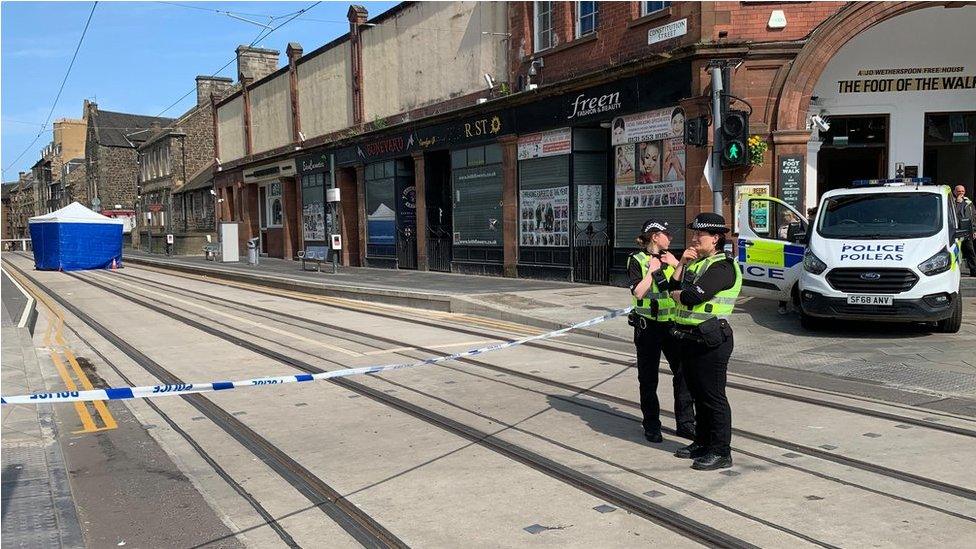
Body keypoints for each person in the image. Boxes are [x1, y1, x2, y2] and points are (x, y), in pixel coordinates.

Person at [669, 213, 742, 471]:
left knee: (713, 397)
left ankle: (721, 451)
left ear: (716, 239)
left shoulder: (722, 267)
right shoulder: (697, 263)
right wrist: (680, 264)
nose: (695, 238)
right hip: (690, 338)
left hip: (711, 339)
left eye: (700, 235)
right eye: (694, 233)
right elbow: (671, 287)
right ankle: (702, 442)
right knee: (697, 395)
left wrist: (680, 295)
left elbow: (692, 296)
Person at [627, 219, 695, 443]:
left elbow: (687, 290)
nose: (671, 238)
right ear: (655, 236)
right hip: (648, 327)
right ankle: (652, 425)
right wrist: (651, 271)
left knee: (684, 374)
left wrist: (678, 264)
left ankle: (685, 424)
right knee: (648, 379)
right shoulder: (636, 260)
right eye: (667, 234)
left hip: (672, 326)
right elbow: (638, 293)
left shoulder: (672, 258)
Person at [954, 185, 976, 276]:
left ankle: (974, 271)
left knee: (970, 251)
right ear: (954, 192)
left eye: (962, 191)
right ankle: (955, 272)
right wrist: (958, 203)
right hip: (955, 230)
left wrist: (974, 230)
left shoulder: (968, 202)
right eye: (959, 191)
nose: (961, 193)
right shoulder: (951, 201)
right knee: (956, 252)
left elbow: (973, 217)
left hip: (967, 230)